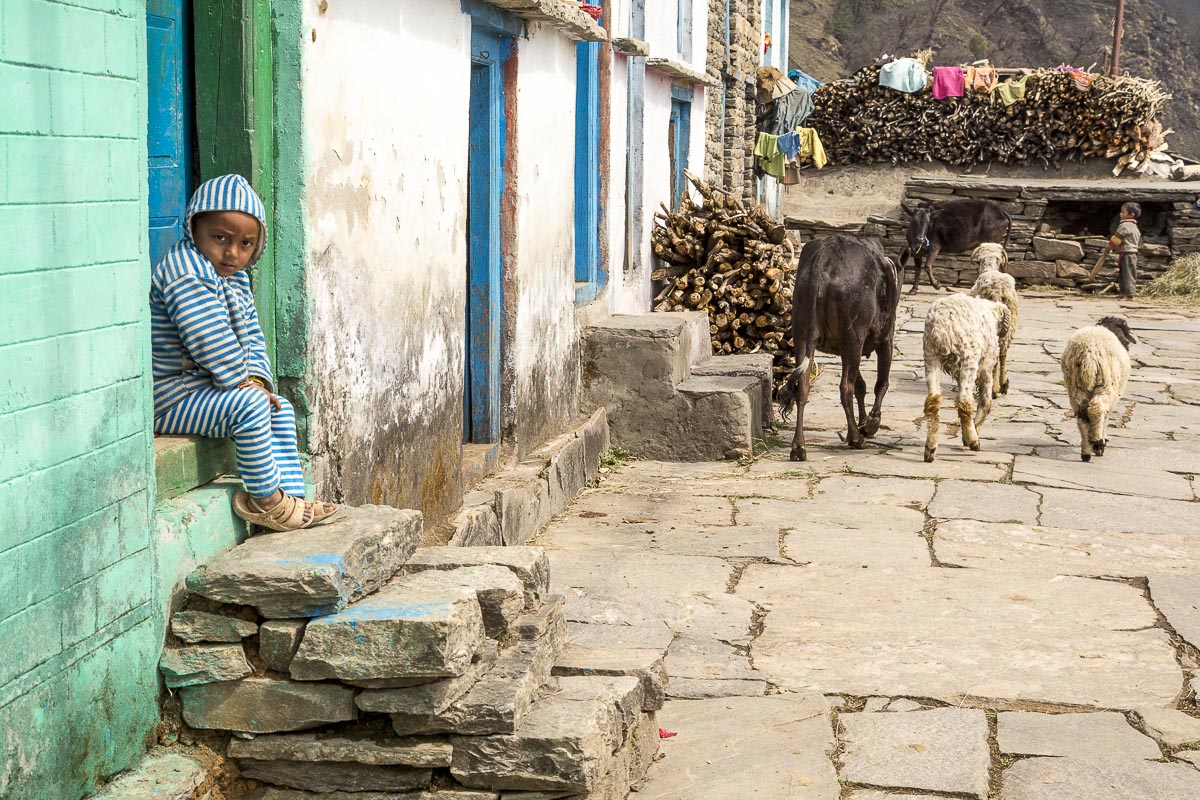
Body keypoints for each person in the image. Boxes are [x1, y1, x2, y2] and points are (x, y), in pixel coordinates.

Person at [150, 174, 340, 532]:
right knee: (252, 404)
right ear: (194, 228)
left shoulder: (234, 277)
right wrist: (241, 384)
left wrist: (253, 379)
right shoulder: (185, 272)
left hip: (210, 392)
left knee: (276, 405)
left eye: (246, 243)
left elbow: (252, 336)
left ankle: (290, 498)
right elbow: (209, 337)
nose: (232, 252)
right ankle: (265, 500)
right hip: (173, 398)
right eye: (219, 237)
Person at [1111, 202, 1142, 300]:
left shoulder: (1126, 225)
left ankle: (1129, 295)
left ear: (1131, 214)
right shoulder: (1134, 226)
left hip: (1128, 253)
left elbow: (1117, 237)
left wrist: (1110, 246)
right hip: (1127, 252)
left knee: (1128, 274)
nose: (1121, 214)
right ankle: (1123, 292)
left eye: (1123, 212)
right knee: (1123, 273)